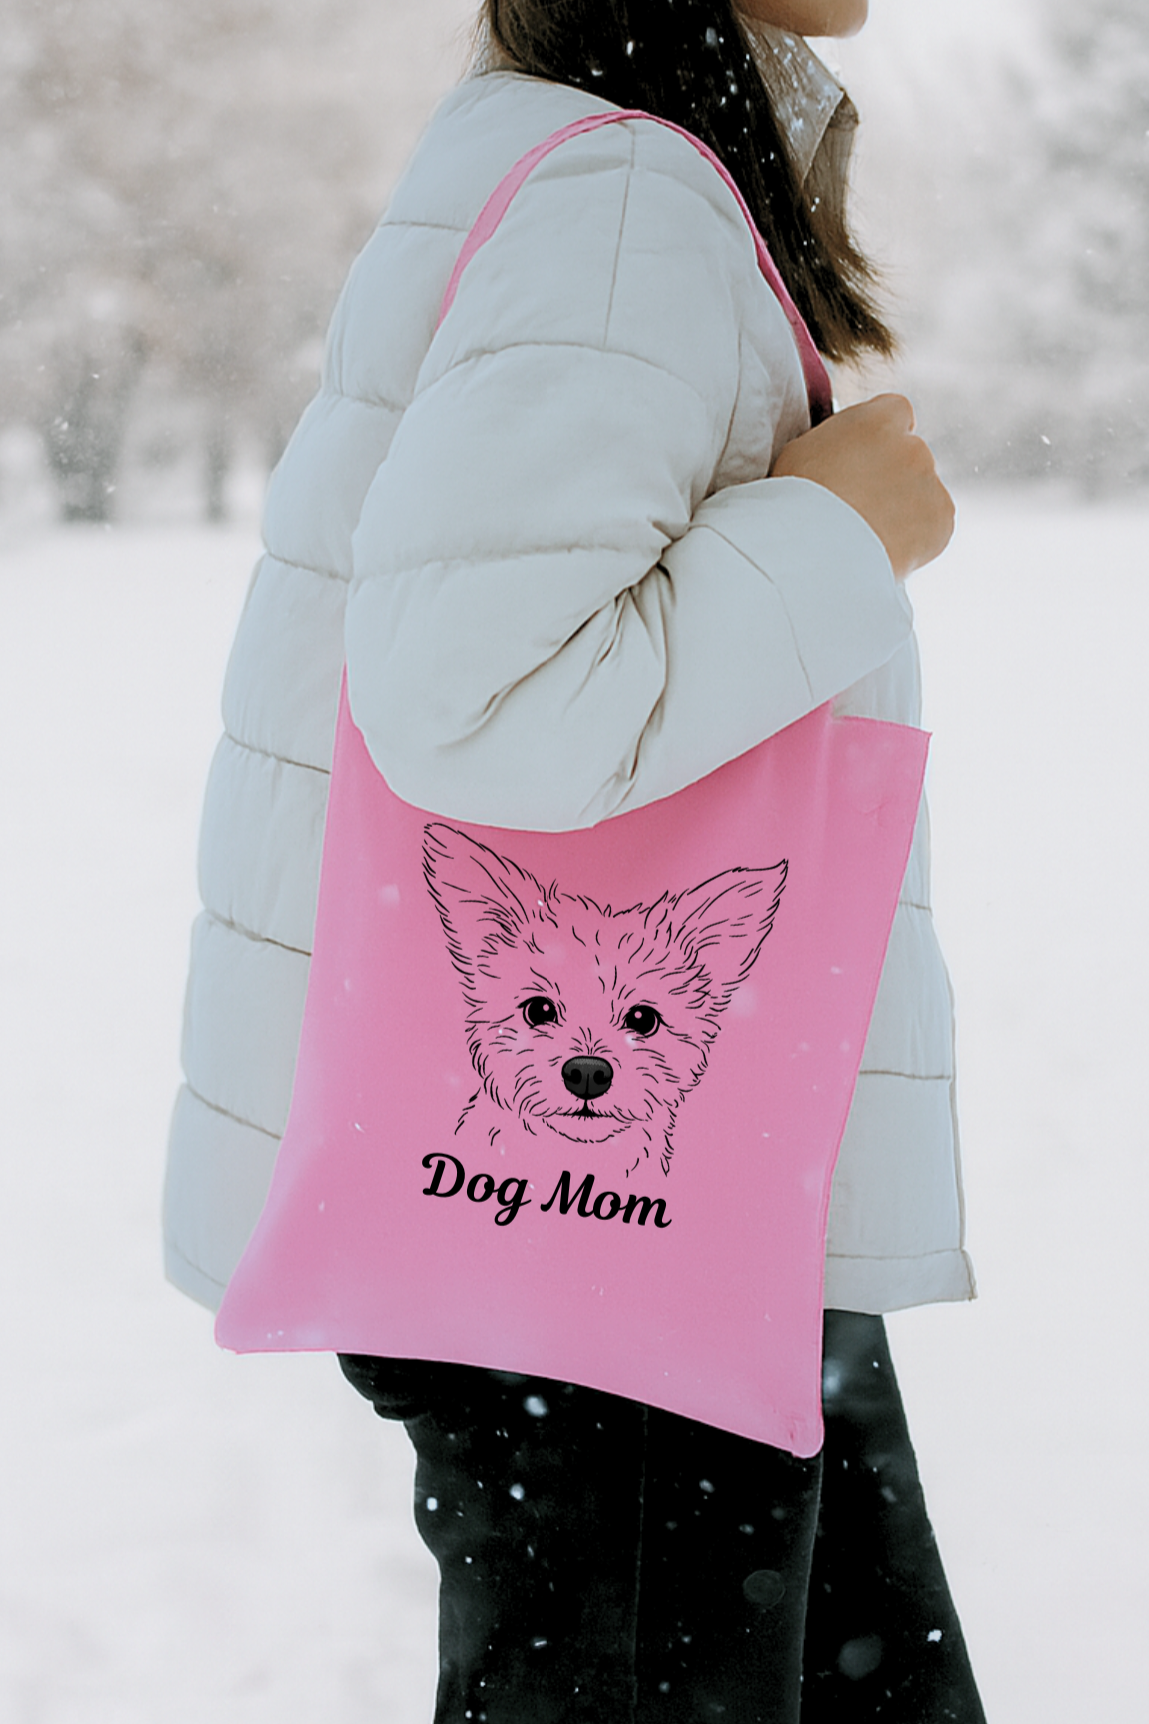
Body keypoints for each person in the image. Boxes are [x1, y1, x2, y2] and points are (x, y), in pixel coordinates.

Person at [164, 1, 983, 1718]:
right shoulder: (621, 200)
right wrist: (842, 529)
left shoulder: (585, 152)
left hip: (659, 1217)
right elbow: (483, 701)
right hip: (604, 1239)